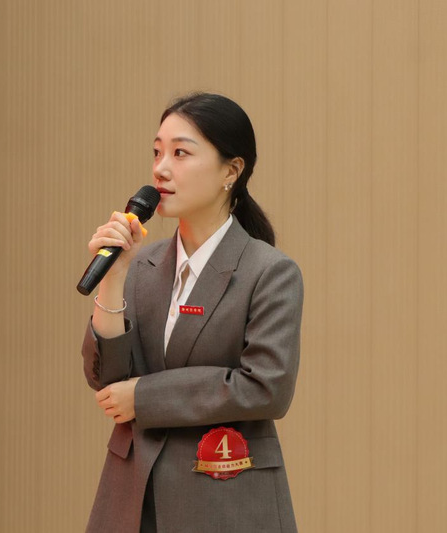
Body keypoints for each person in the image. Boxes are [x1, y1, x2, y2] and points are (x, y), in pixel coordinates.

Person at [81, 92, 303, 532]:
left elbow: (267, 388)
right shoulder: (141, 264)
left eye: (180, 153)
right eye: (157, 152)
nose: (161, 169)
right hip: (131, 493)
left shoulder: (269, 271)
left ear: (231, 171)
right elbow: (107, 381)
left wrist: (144, 397)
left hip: (223, 497)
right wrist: (113, 276)